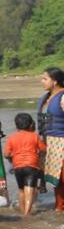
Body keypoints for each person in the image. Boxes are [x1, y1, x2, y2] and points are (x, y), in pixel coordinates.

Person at [4, 113, 46, 216]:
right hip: (31, 165)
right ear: (31, 125)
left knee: (21, 189)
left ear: (16, 125)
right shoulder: (34, 136)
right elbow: (44, 149)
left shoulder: (11, 138)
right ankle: (27, 214)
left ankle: (23, 212)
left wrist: (12, 158)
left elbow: (6, 154)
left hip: (17, 166)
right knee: (30, 188)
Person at [37, 66, 64, 210]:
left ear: (55, 82)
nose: (42, 81)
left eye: (45, 79)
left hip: (61, 142)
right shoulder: (45, 98)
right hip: (48, 143)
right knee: (56, 179)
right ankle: (59, 208)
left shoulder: (63, 97)